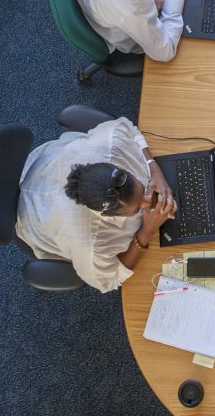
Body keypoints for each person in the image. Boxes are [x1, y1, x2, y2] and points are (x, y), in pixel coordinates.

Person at [16, 117, 177, 292]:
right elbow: (111, 279)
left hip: (43, 165)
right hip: (35, 218)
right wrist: (147, 231)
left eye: (142, 187)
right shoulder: (90, 241)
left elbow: (130, 130)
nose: (148, 200)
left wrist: (154, 169)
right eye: (138, 209)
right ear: (106, 215)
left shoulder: (112, 144)